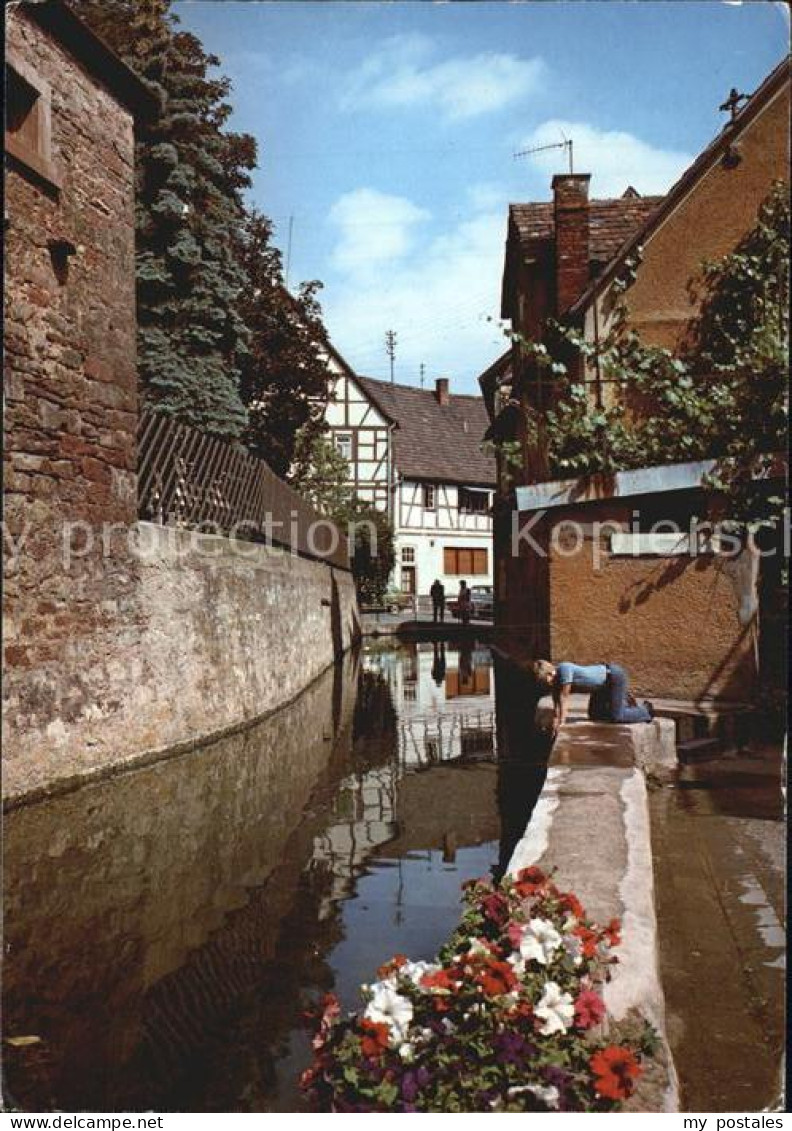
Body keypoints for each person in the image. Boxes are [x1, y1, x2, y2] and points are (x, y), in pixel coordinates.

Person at [532, 659, 654, 735]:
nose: (546, 683)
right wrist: (555, 721)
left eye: (545, 679)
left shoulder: (564, 669)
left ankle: (646, 710)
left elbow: (564, 698)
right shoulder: (554, 682)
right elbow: (556, 703)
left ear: (550, 672)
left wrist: (562, 724)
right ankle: (624, 702)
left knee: (616, 716)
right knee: (595, 715)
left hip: (613, 677)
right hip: (599, 688)